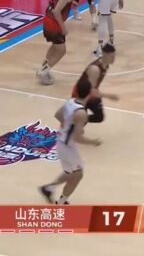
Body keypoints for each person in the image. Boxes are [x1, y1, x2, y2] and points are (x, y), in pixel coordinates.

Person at [38, 77, 101, 205]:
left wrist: (66, 125)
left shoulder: (70, 102)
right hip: (67, 145)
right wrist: (93, 142)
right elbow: (78, 138)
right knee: (78, 174)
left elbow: (57, 114)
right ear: (89, 93)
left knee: (69, 172)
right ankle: (61, 202)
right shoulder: (81, 113)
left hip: (62, 141)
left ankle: (49, 189)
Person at [37, 0, 79, 85]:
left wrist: (71, 2)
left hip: (48, 19)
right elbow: (56, 11)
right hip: (53, 23)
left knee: (55, 47)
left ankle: (44, 66)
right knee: (61, 51)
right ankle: (43, 72)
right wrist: (63, 27)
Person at [73, 43, 118, 125]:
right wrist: (109, 96)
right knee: (80, 123)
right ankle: (76, 120)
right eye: (112, 56)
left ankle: (78, 119)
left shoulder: (106, 65)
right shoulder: (95, 69)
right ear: (105, 54)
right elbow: (91, 90)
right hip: (81, 94)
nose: (114, 59)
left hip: (92, 93)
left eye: (114, 56)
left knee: (99, 117)